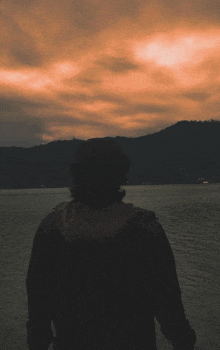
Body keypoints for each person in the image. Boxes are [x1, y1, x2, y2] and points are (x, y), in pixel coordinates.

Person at [26, 138, 197, 350]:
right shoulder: (144, 230)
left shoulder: (52, 228)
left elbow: (38, 302)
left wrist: (37, 341)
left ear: (76, 175)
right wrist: (183, 340)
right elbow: (167, 300)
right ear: (121, 174)